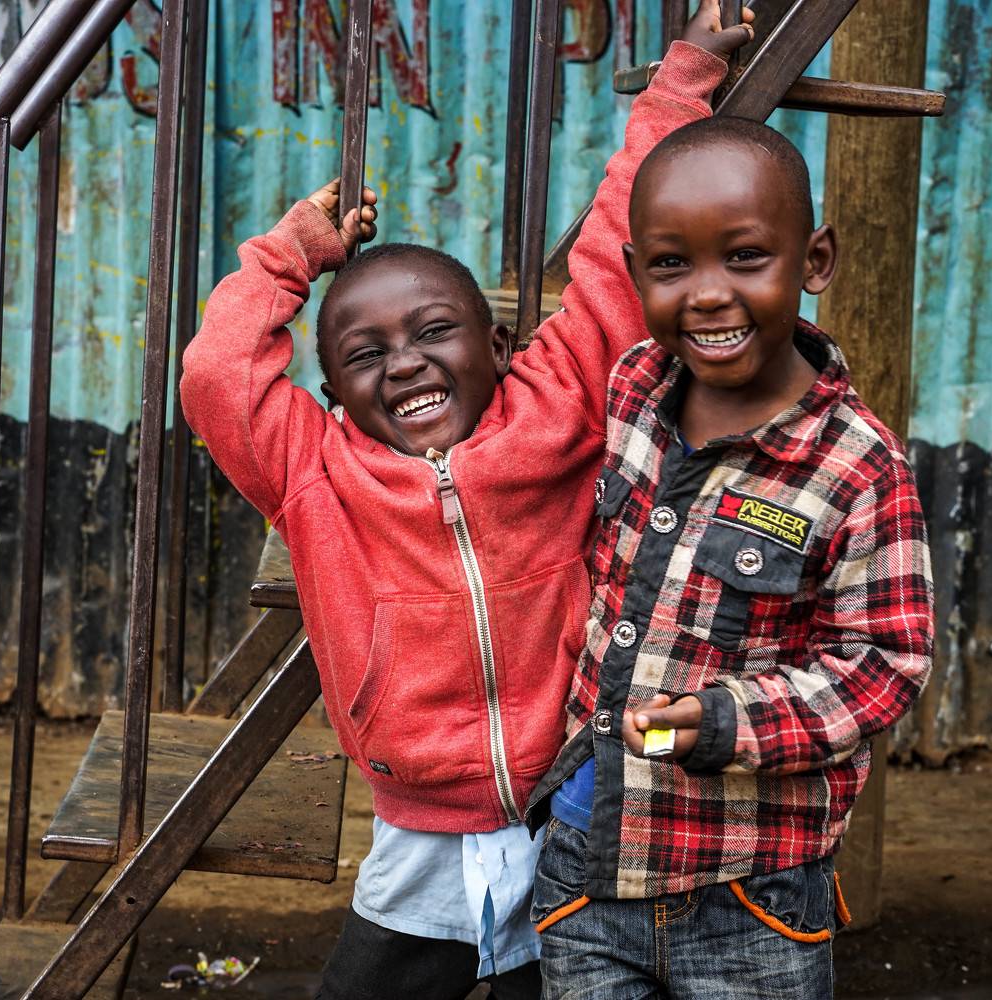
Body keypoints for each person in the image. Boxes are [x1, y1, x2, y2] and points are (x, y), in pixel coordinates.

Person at [178, 6, 753, 997]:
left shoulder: (557, 408)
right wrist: (291, 253)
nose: (403, 363)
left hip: (568, 807)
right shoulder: (316, 471)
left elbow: (616, 246)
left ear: (498, 349)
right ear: (333, 392)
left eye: (433, 332)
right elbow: (215, 375)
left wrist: (683, 78)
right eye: (365, 354)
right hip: (420, 838)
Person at [525, 107, 937, 998]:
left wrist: (726, 721)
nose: (707, 294)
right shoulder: (634, 390)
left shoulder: (858, 465)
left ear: (814, 261)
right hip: (586, 862)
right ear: (636, 272)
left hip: (749, 889)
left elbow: (883, 664)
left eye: (745, 257)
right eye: (672, 265)